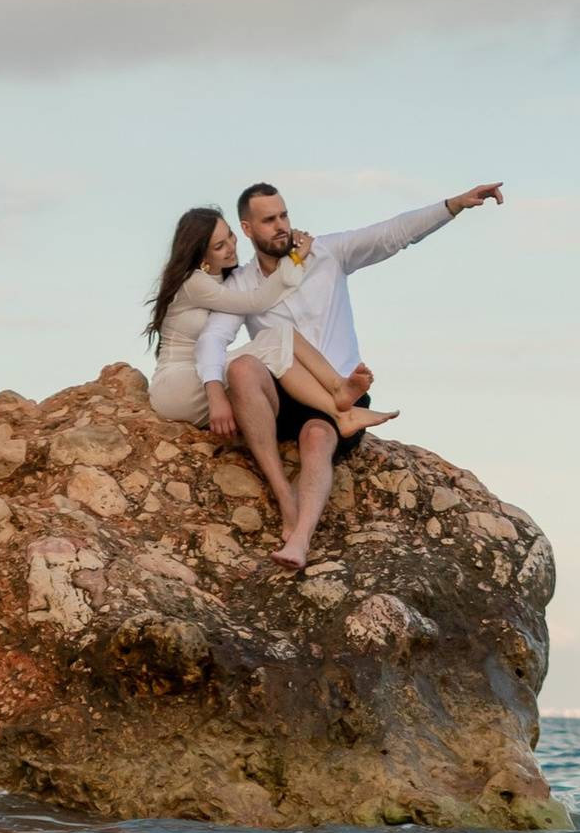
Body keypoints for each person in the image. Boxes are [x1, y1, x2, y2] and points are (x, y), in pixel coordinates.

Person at [198, 179, 504, 567]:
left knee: (316, 436)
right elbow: (213, 338)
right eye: (269, 220)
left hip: (340, 387)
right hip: (282, 392)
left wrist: (453, 205)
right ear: (247, 228)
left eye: (284, 215)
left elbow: (392, 234)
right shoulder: (242, 283)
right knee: (242, 367)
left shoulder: (328, 253)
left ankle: (300, 540)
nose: (281, 226)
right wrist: (214, 392)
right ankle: (284, 497)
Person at [141, 208, 390, 459]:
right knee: (277, 338)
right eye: (219, 246)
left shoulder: (219, 281)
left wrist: (292, 263)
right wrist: (295, 259)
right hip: (177, 386)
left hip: (192, 381)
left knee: (276, 345)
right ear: (201, 253)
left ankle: (339, 404)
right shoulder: (194, 281)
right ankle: (338, 395)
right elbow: (258, 301)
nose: (231, 246)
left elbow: (265, 295)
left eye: (230, 235)